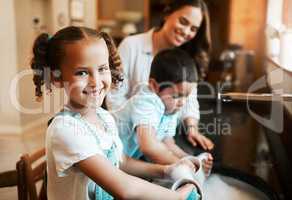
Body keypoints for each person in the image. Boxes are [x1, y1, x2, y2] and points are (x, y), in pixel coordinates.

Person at [31, 26, 203, 200]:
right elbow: (124, 188)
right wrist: (177, 197)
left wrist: (166, 170)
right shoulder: (65, 129)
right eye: (82, 72)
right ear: (57, 78)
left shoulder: (104, 117)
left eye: (102, 69)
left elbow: (121, 161)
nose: (96, 81)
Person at [106, 0, 214, 151]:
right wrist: (142, 127)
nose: (186, 31)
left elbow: (189, 100)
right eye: (183, 22)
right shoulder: (131, 45)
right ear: (168, 13)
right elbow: (115, 96)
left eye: (193, 29)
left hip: (164, 136)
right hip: (127, 135)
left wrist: (192, 128)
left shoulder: (186, 57)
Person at [114, 48, 213, 168]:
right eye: (176, 96)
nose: (182, 102)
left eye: (186, 96)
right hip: (104, 154)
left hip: (122, 161)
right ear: (154, 86)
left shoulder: (171, 108)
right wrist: (181, 165)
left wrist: (191, 161)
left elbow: (168, 143)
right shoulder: (147, 100)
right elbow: (148, 146)